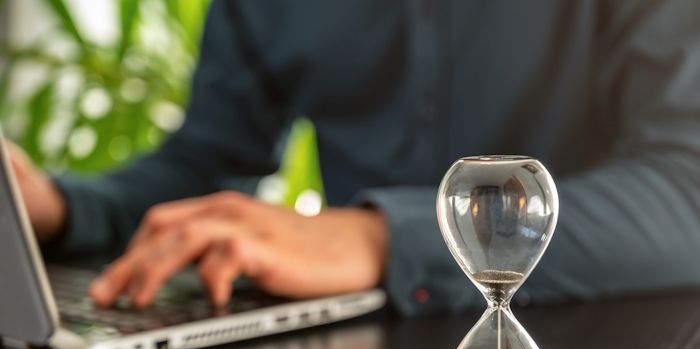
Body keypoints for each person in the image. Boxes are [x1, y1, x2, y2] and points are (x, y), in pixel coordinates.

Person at [7, 0, 700, 316]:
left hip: (609, 344)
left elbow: (687, 189)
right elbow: (206, 163)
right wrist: (58, 207)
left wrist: (380, 236)